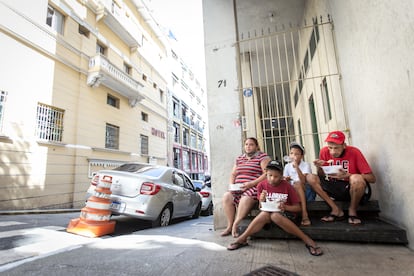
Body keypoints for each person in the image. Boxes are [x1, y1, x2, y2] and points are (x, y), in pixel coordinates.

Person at [227, 160, 323, 256]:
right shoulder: (261, 185)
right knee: (266, 214)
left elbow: (298, 208)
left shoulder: (287, 186)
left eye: (276, 176)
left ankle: (306, 239)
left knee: (275, 216)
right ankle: (243, 238)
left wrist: (285, 207)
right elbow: (261, 207)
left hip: (287, 216)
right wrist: (262, 199)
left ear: (281, 176)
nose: (272, 179)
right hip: (268, 217)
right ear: (266, 174)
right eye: (270, 175)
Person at [307, 130, 376, 225]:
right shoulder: (324, 152)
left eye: (336, 148)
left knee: (356, 178)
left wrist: (349, 175)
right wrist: (320, 167)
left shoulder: (354, 152)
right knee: (310, 177)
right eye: (330, 147)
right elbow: (321, 176)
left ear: (344, 145)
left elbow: (372, 178)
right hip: (333, 187)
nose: (333, 152)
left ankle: (352, 211)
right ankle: (335, 209)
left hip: (351, 189)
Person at [221, 137, 271, 237]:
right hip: (238, 188)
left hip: (254, 186)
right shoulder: (240, 158)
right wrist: (232, 186)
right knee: (226, 196)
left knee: (245, 198)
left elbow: (266, 173)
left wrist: (251, 184)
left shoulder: (262, 157)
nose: (248, 146)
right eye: (246, 144)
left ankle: (236, 224)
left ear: (257, 147)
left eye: (251, 144)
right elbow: (233, 174)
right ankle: (229, 226)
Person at [283, 142, 313, 226]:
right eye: (291, 153)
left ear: (302, 156)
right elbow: (284, 180)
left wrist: (296, 167)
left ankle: (304, 213)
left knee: (298, 184)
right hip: (292, 191)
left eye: (297, 154)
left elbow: (303, 180)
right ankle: (295, 213)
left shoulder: (306, 165)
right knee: (293, 185)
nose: (294, 156)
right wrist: (286, 179)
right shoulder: (287, 166)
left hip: (305, 190)